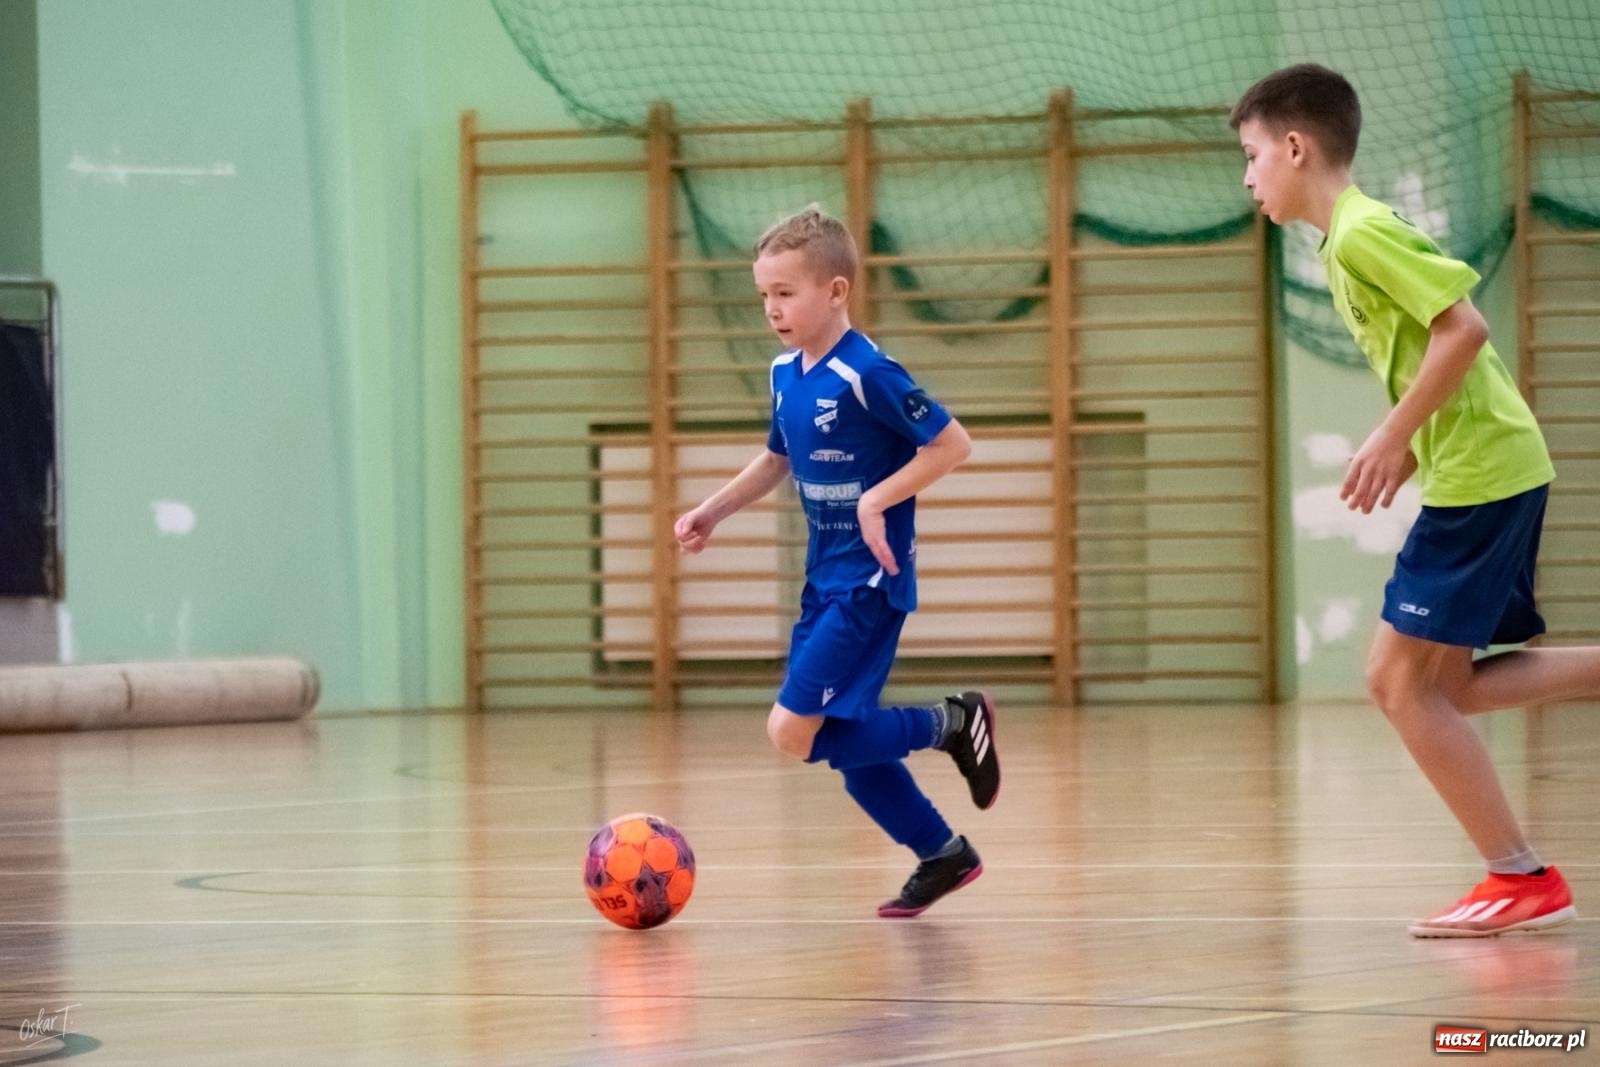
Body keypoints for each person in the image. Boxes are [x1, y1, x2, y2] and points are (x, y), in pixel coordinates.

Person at [1233, 63, 1598, 936]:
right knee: (1448, 688)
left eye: (1251, 155)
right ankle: (1518, 873)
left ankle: (1519, 875)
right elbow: (1437, 352)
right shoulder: (1344, 241)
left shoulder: (1361, 232)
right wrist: (1410, 438)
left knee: (1395, 682)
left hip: (1482, 474)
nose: (1246, 177)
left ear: (1295, 146)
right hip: (1481, 465)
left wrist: (1395, 435)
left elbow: (1464, 330)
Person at [674, 206, 1000, 918]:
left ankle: (950, 720)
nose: (772, 309)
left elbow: (952, 444)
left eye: (785, 293)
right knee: (847, 751)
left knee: (791, 730)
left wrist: (875, 500)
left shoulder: (869, 373)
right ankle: (943, 853)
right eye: (764, 295)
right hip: (824, 584)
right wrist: (711, 511)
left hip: (869, 582)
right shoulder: (785, 374)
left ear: (837, 291)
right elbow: (776, 458)